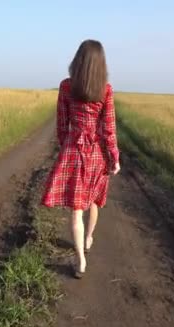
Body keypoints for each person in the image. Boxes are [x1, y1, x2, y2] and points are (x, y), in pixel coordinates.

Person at [41, 39, 121, 279]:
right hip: (96, 152)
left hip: (73, 150)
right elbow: (108, 129)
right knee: (94, 199)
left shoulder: (66, 86)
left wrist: (66, 147)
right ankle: (88, 239)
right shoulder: (105, 90)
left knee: (76, 211)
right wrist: (114, 157)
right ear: (101, 65)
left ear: (77, 61)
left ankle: (80, 260)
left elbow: (61, 123)